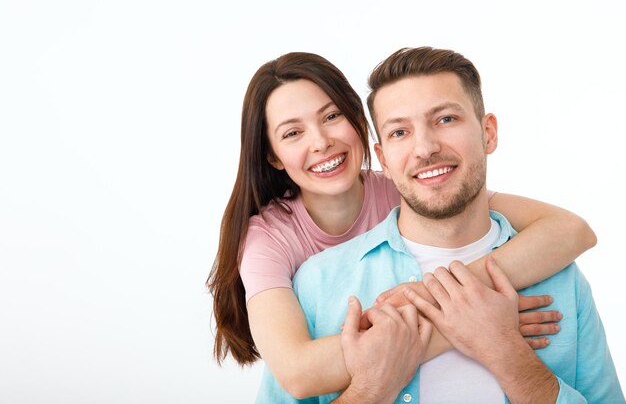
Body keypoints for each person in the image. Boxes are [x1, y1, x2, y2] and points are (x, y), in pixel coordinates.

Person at [208, 52, 597, 399]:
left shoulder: (413, 184)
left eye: (331, 116)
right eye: (293, 133)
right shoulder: (274, 243)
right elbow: (298, 374)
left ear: (359, 123)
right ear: (272, 156)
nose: (322, 141)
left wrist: (456, 297)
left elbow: (571, 230)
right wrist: (459, 326)